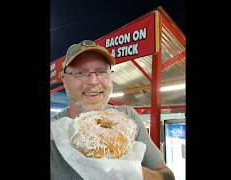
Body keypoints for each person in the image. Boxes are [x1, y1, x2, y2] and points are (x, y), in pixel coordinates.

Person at [50, 40, 175, 180]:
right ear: (65, 80)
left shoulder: (128, 117)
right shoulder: (53, 131)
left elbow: (167, 175)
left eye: (102, 72)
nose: (93, 81)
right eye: (80, 72)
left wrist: (139, 175)